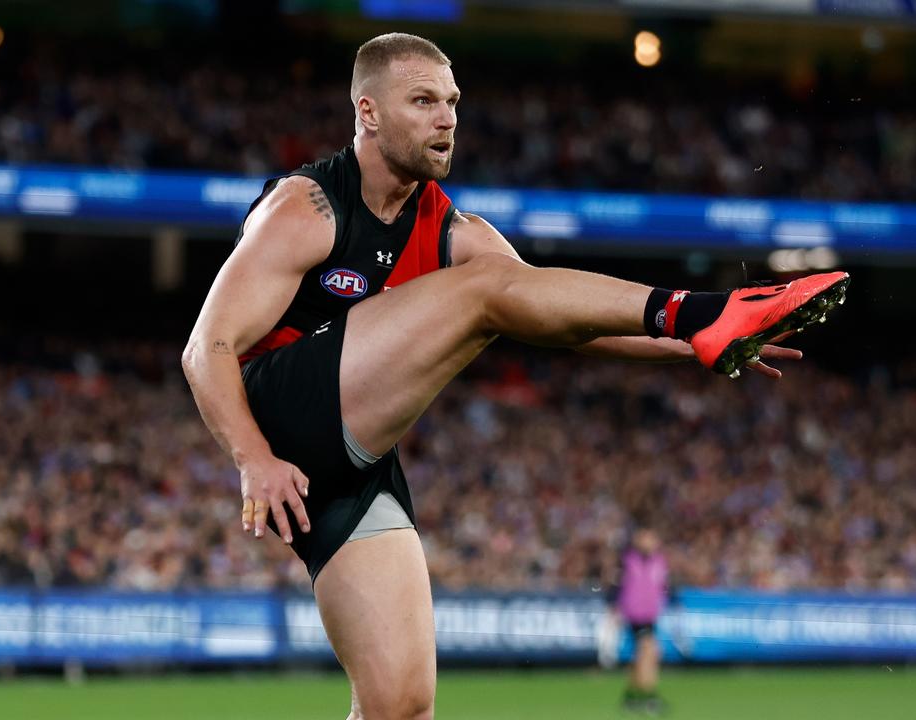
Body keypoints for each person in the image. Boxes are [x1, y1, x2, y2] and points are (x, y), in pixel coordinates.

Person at [181, 32, 848, 720]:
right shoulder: (307, 207)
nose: (447, 118)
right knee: (485, 289)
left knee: (401, 706)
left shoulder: (455, 230)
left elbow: (551, 313)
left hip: (349, 468)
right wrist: (252, 456)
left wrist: (694, 352)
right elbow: (208, 346)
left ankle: (700, 325)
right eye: (423, 101)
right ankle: (701, 310)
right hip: (278, 413)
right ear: (368, 112)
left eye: (452, 102)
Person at [612, 526, 670, 715]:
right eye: (645, 538)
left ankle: (631, 696)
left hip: (650, 615)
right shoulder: (627, 561)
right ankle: (650, 697)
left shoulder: (660, 562)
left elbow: (662, 587)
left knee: (642, 657)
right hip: (635, 615)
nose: (649, 542)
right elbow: (616, 586)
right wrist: (617, 609)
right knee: (650, 651)